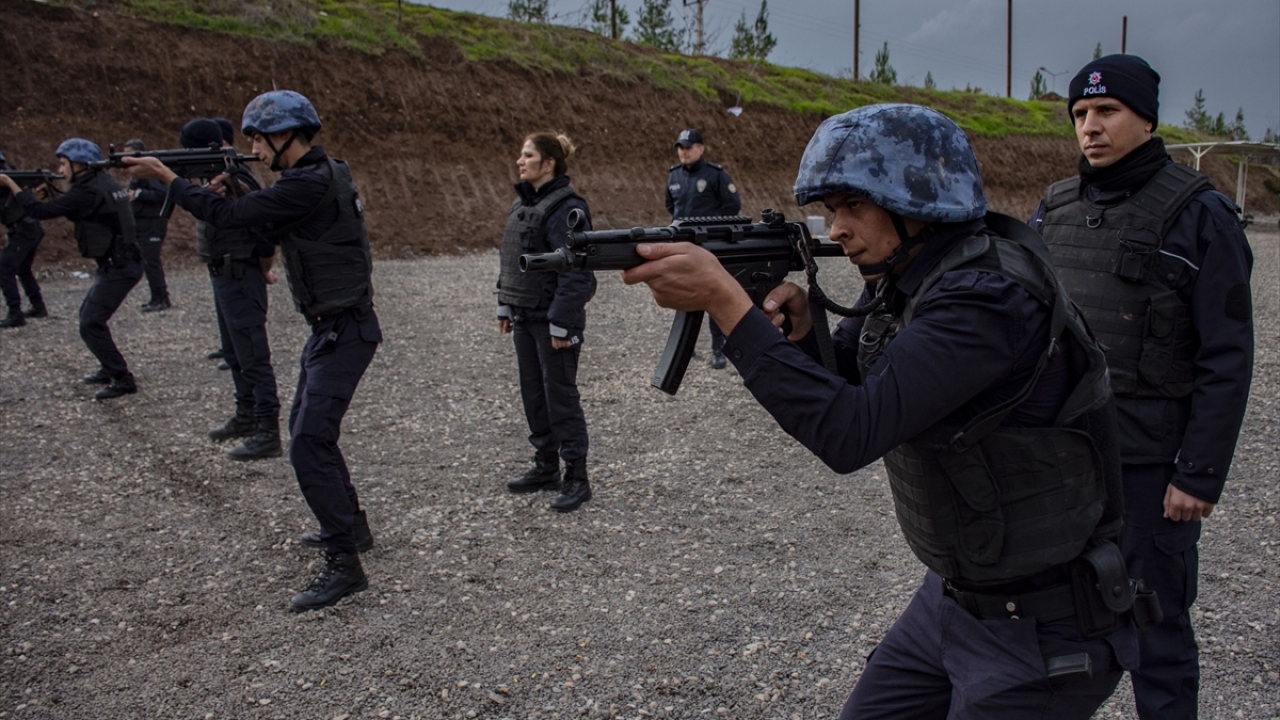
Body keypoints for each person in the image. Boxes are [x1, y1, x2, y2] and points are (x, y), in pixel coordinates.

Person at [624, 104, 1150, 718]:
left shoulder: (984, 300)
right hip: (954, 601)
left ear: (918, 199)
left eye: (854, 206)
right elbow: (848, 380)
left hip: (1043, 627)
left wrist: (724, 301)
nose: (837, 227)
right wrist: (799, 332)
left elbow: (850, 433)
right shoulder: (911, 277)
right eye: (832, 208)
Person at [1030, 55, 1254, 720]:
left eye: (1106, 112)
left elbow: (1227, 355)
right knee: (1050, 628)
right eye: (1079, 115)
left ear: (1146, 118)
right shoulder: (1054, 208)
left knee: (1157, 635)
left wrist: (1200, 474)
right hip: (1062, 464)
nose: (1089, 127)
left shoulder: (1202, 215)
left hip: (1152, 473)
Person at [124, 90, 381, 612]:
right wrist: (233, 184)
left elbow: (235, 218)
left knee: (308, 442)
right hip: (334, 328)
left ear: (288, 135)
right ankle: (351, 529)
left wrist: (169, 178)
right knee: (309, 434)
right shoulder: (319, 174)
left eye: (261, 138)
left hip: (343, 329)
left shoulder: (307, 181)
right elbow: (261, 219)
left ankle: (344, 563)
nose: (256, 148)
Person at [497, 132, 595, 513]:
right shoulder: (522, 204)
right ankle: (545, 467)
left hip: (553, 322)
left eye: (528, 155)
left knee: (561, 398)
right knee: (534, 396)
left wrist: (562, 323)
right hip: (524, 315)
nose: (520, 161)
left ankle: (577, 477)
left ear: (549, 163)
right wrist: (504, 303)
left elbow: (578, 272)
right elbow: (511, 256)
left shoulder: (568, 208)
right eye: (521, 155)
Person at [0, 139, 143, 400]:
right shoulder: (100, 184)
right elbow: (78, 209)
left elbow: (40, 211)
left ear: (79, 164)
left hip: (120, 265)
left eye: (64, 164)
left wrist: (11, 184)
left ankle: (122, 378)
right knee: (88, 316)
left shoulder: (88, 190)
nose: (61, 169)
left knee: (90, 322)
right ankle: (108, 367)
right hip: (119, 263)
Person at [178, 118, 282, 462]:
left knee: (253, 356)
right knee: (236, 354)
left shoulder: (235, 178)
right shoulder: (219, 178)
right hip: (225, 272)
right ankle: (247, 414)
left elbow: (266, 228)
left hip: (240, 272)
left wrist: (264, 267)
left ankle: (267, 429)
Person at [665, 128, 741, 368]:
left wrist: (714, 229)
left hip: (709, 246)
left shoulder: (715, 175)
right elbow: (671, 205)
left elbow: (732, 205)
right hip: (682, 245)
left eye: (688, 147)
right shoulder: (674, 175)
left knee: (712, 294)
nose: (683, 152)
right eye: (680, 147)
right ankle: (686, 350)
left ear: (701, 148)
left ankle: (719, 350)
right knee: (685, 295)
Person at [122, 139, 172, 312]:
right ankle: (158, 297)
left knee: (151, 262)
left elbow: (163, 193)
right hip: (144, 223)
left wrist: (138, 194)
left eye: (128, 153)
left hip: (153, 223)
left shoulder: (148, 173)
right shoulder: (138, 174)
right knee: (148, 261)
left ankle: (161, 299)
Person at [0, 150, 47, 328]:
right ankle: (38, 306)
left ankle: (15, 313)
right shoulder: (11, 177)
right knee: (22, 268)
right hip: (28, 229)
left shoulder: (9, 179)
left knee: (5, 267)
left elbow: (38, 183)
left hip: (24, 229)